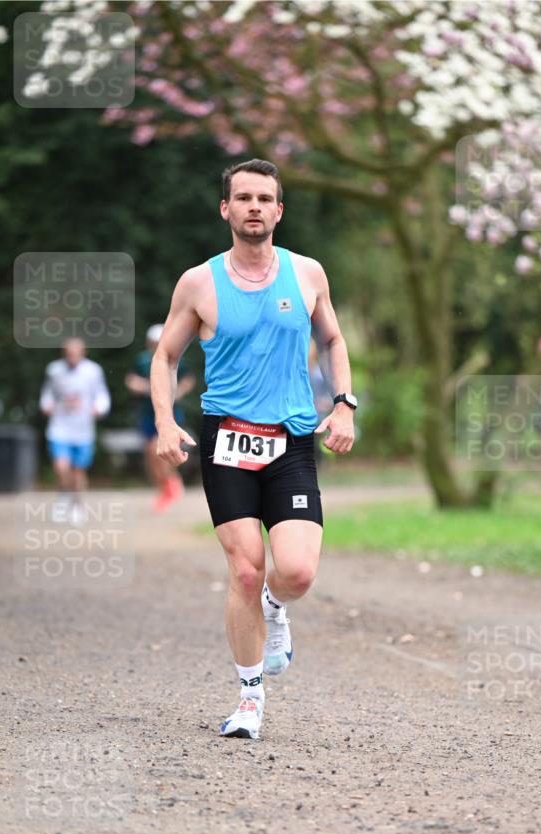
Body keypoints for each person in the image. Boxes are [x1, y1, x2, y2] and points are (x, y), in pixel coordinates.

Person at [151, 158, 356, 739]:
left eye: (265, 198)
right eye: (243, 198)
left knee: (295, 572)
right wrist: (165, 421)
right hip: (227, 440)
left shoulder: (308, 273)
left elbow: (333, 338)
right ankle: (249, 697)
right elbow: (165, 357)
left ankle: (276, 606)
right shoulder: (199, 282)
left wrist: (344, 403)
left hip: (290, 438)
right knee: (244, 570)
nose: (254, 207)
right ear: (226, 209)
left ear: (279, 209)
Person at [39, 336, 110, 524]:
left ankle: (77, 505)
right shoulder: (54, 370)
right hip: (59, 428)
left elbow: (102, 396)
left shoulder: (93, 371)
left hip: (83, 430)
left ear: (83, 353)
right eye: (69, 354)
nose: (72, 357)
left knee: (78, 472)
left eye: (76, 353)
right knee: (61, 467)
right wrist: (46, 405)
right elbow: (48, 394)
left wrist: (99, 408)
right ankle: (63, 498)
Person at [125, 324, 195, 512]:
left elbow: (188, 379)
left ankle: (171, 483)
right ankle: (165, 487)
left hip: (170, 414)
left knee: (158, 450)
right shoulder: (142, 360)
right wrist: (141, 386)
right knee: (151, 456)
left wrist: (179, 391)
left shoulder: (175, 358)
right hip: (148, 413)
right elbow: (131, 379)